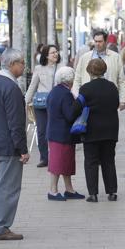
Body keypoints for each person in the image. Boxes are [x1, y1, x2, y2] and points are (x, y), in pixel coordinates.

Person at [0, 48, 29, 241]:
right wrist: (23, 150)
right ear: (12, 64)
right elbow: (16, 124)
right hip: (9, 147)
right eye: (22, 63)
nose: (24, 67)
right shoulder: (11, 88)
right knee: (8, 188)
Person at [74, 58, 120, 203]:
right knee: (108, 161)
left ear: (89, 71)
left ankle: (93, 194)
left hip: (91, 130)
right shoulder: (112, 87)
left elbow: (77, 107)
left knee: (91, 161)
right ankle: (112, 192)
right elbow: (117, 104)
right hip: (110, 129)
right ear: (104, 70)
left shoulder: (85, 88)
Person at [46, 66, 85, 201]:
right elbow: (69, 115)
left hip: (55, 132)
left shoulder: (54, 91)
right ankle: (53, 191)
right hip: (61, 134)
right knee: (57, 163)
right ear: (70, 80)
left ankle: (69, 189)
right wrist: (79, 103)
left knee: (66, 163)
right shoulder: (66, 94)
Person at [25, 44, 62, 168]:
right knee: (41, 131)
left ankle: (56, 156)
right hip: (41, 105)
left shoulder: (61, 68)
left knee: (55, 131)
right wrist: (25, 101)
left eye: (56, 52)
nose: (55, 54)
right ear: (46, 55)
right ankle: (44, 158)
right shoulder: (39, 68)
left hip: (57, 104)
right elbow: (32, 86)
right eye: (53, 52)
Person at [72, 30, 125, 111]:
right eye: (96, 41)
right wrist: (77, 96)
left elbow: (121, 80)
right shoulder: (85, 57)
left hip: (109, 97)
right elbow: (77, 78)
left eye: (100, 41)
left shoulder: (116, 57)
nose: (97, 44)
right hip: (89, 98)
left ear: (105, 41)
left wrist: (123, 100)